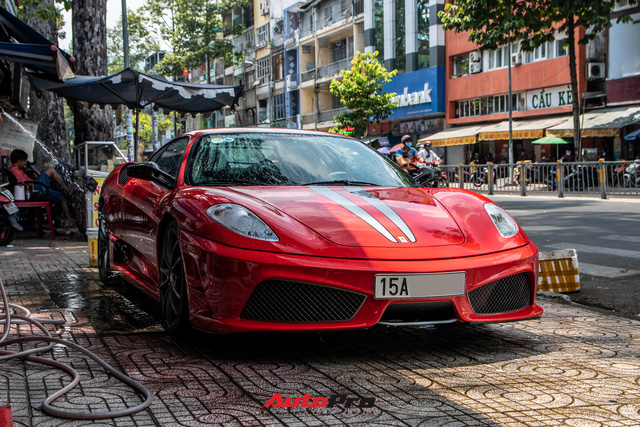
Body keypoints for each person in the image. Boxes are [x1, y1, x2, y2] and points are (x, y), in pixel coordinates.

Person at [9, 149, 74, 228]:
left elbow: (27, 180)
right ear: (19, 161)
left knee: (62, 196)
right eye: (24, 161)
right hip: (32, 190)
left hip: (35, 187)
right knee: (50, 170)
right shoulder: (14, 171)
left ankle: (70, 221)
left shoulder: (19, 170)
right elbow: (23, 183)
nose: (25, 163)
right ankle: (66, 188)